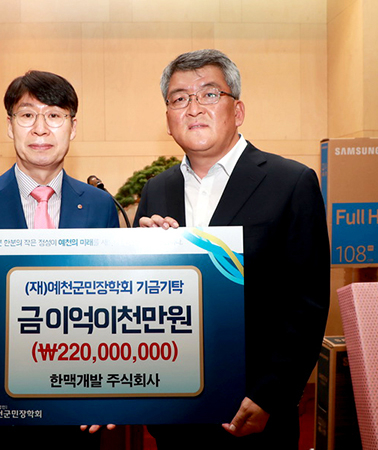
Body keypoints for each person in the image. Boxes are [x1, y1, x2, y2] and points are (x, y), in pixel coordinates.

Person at [134, 49, 330, 449]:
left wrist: (270, 396)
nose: (193, 108)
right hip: (175, 413)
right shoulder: (157, 189)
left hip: (255, 414)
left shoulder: (291, 182)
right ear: (168, 118)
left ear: (237, 111)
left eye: (209, 94)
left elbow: (307, 305)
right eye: (179, 98)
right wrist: (142, 255)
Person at [0, 70, 119, 447]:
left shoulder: (100, 205)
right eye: (27, 115)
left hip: (79, 407)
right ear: (10, 125)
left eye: (55, 115)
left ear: (73, 127)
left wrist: (111, 389)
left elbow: (113, 305)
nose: (40, 128)